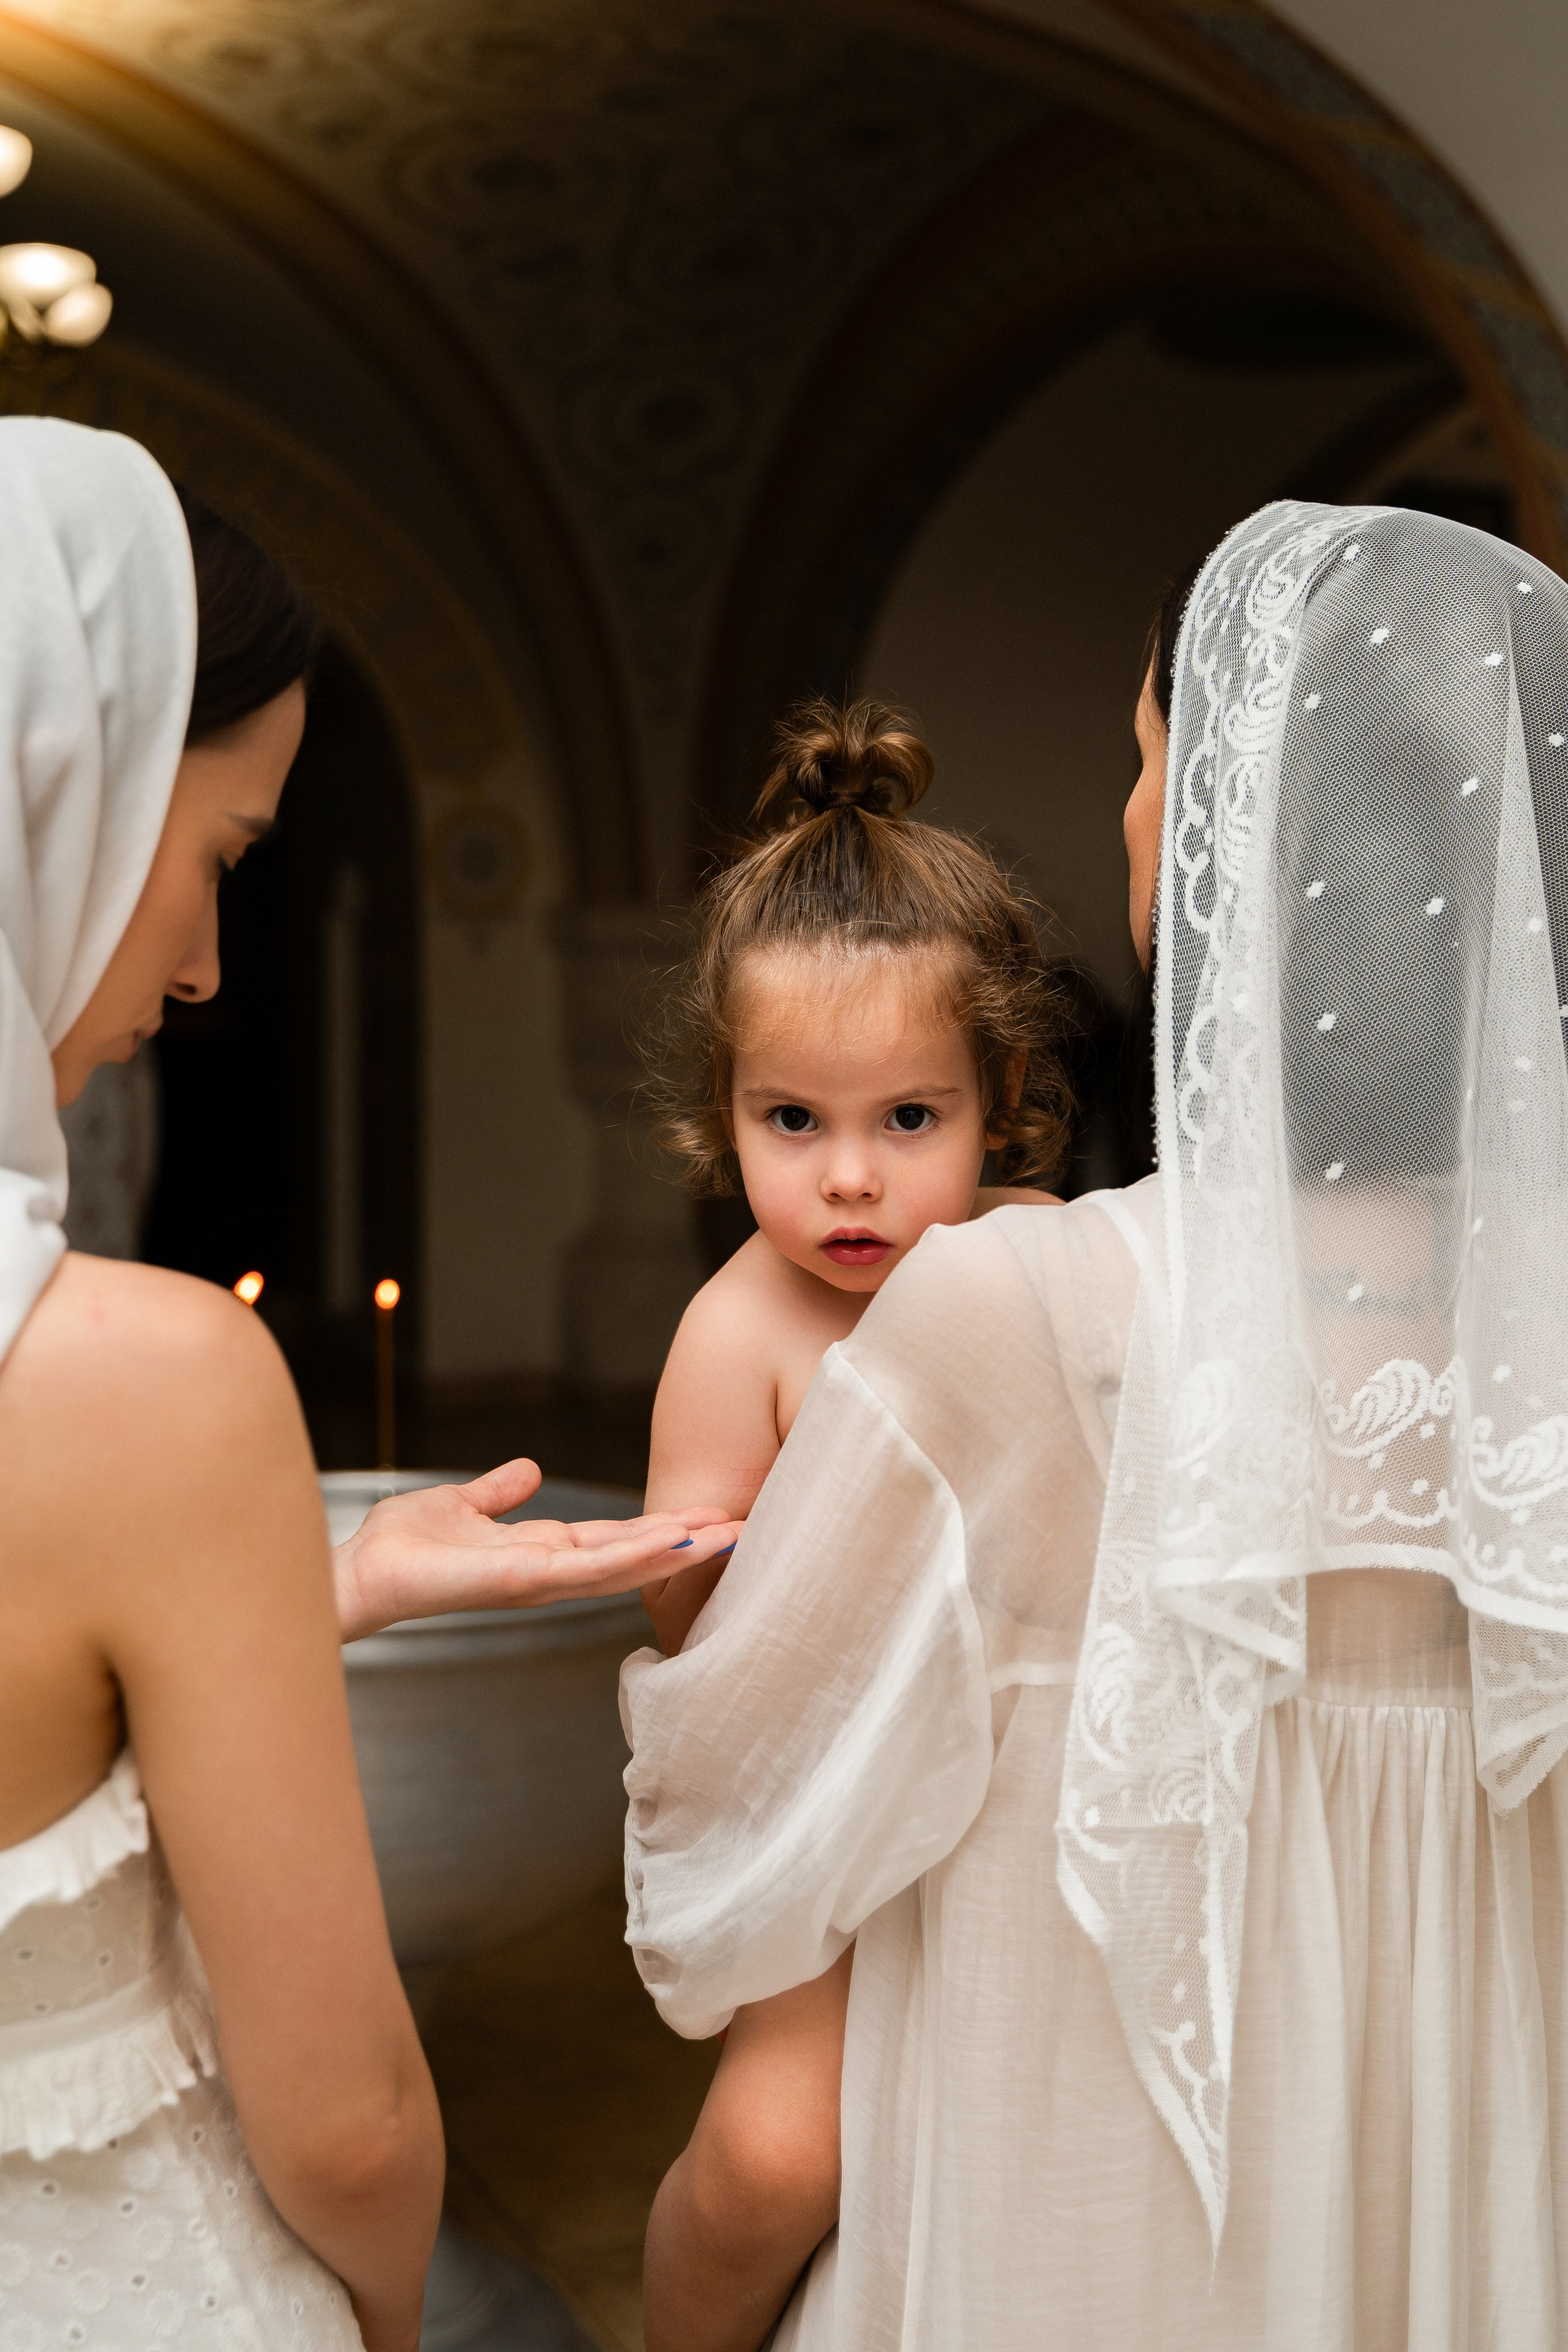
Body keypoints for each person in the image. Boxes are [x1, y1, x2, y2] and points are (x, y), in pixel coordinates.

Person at [618, 498, 1568, 2351]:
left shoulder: (1024, 1316)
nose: (1134, 811)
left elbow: (749, 1799)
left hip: (1088, 2244)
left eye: (1152, 759)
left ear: (1233, 828)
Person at [0, 415, 741, 2352]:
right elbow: (346, 2122)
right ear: (55, 795)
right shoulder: (148, 1385)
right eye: (219, 859)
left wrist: (285, 1596)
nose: (206, 969)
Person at [634, 698, 1070, 2348]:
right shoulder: (740, 1333)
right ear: (726, 1111)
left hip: (1030, 1785)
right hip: (836, 1796)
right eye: (791, 1123)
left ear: (1002, 1097)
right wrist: (753, 1570)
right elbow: (690, 1622)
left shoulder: (1042, 1255)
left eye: (910, 1119)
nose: (851, 1183)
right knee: (774, 2151)